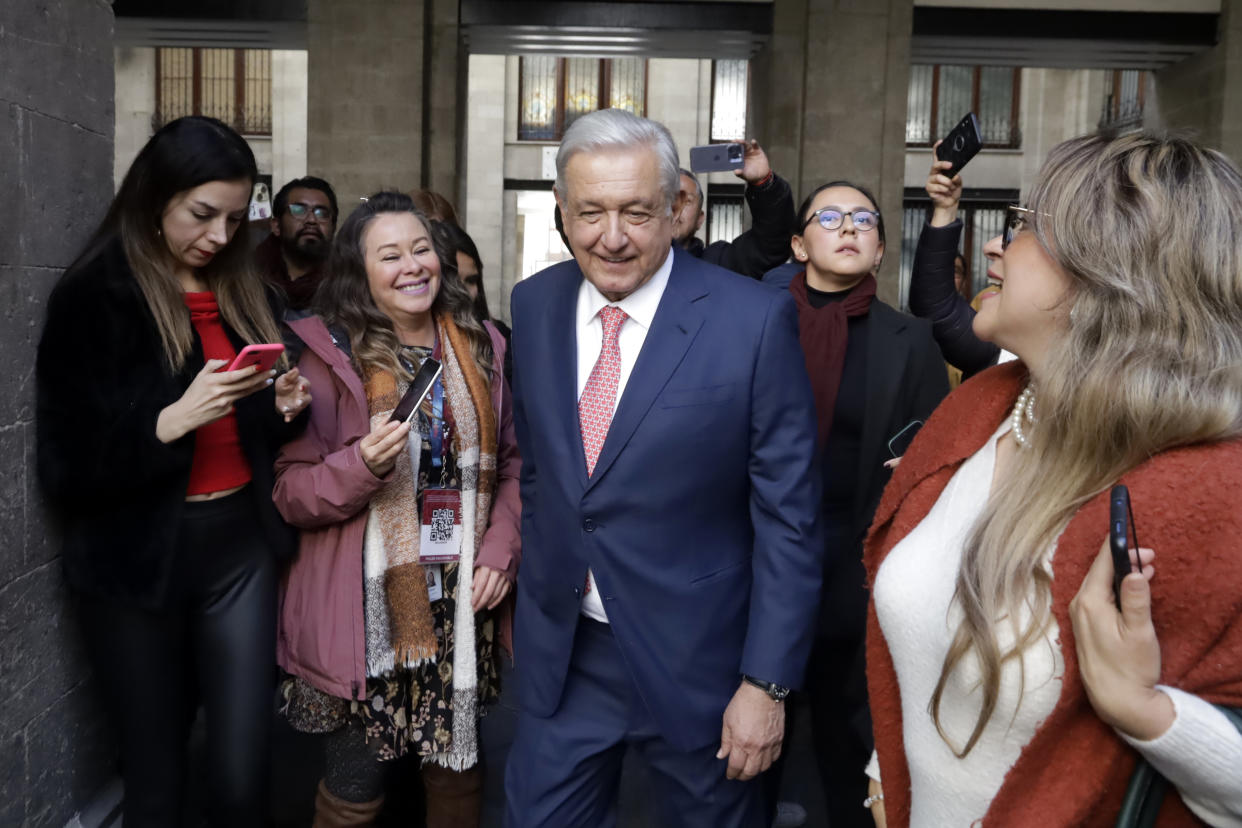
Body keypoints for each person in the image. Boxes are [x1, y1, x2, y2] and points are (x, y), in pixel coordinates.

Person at [863, 132, 1242, 827]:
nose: (995, 247)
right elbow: (917, 630)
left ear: (1111, 266)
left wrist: (1151, 714)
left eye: (1026, 225)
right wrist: (882, 772)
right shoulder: (977, 415)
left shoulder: (1217, 494)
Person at [503, 107, 823, 827]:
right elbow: (543, 475)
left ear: (678, 207)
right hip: (568, 658)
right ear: (560, 209)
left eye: (636, 212)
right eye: (589, 212)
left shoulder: (753, 320)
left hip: (704, 666)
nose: (611, 238)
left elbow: (789, 520)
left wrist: (766, 684)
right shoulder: (536, 304)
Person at [35, 115, 311, 827]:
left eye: (234, 217)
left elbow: (253, 426)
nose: (220, 237)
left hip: (238, 550)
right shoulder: (94, 295)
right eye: (202, 215)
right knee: (155, 782)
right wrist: (168, 421)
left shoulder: (245, 290)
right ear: (155, 196)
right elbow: (65, 470)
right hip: (136, 563)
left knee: (244, 774)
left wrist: (283, 406)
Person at [272, 191, 521, 827]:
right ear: (361, 271)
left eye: (420, 249)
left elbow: (518, 464)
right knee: (356, 784)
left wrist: (501, 548)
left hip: (462, 603)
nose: (412, 266)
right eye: (390, 255)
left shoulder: (483, 345)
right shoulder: (327, 359)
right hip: (366, 612)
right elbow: (291, 493)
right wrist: (361, 466)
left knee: (457, 774)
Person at [765, 181, 948, 828]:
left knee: (850, 740)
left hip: (858, 563)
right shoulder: (754, 316)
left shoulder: (910, 338)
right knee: (751, 741)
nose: (849, 229)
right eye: (832, 217)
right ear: (798, 242)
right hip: (760, 561)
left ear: (877, 249)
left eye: (865, 220)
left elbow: (934, 446)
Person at [907, 146, 1006, 379]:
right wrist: (945, 209)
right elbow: (936, 305)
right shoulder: (999, 350)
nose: (990, 247)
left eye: (1023, 228)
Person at [672, 139, 797, 280]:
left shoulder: (719, 264)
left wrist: (763, 182)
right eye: (668, 198)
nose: (675, 207)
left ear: (700, 219)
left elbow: (772, 243)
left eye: (687, 201)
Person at [255, 175, 339, 311]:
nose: (311, 220)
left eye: (321, 213)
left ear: (333, 227)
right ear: (276, 226)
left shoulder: (348, 286)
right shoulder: (248, 279)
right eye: (298, 210)